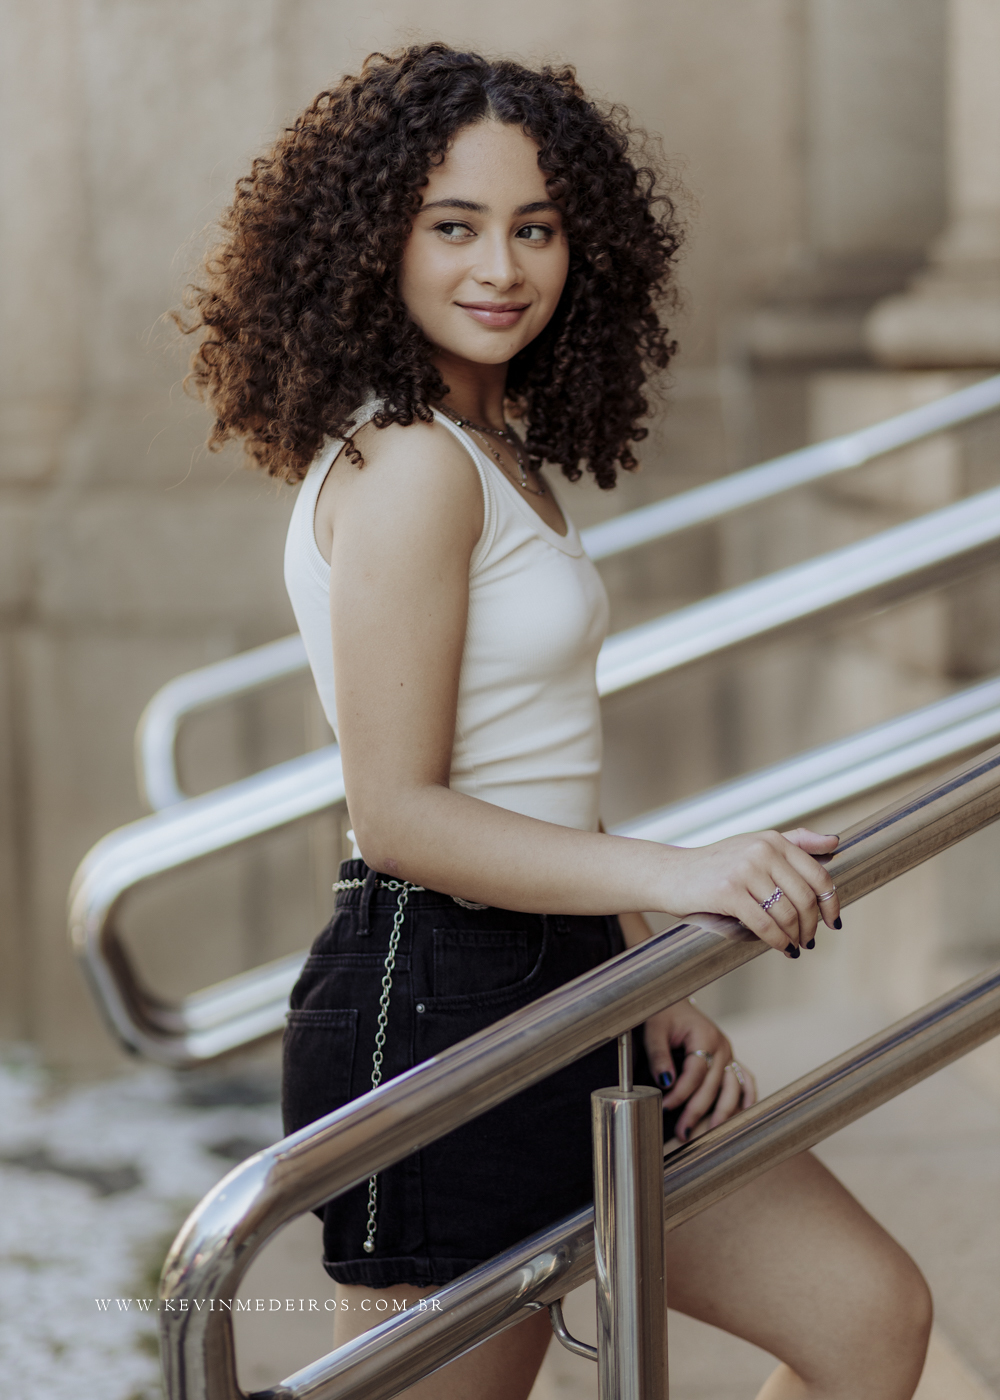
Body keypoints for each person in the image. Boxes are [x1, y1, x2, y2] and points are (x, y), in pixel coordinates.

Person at [178, 43, 932, 1400]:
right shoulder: (410, 464)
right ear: (374, 244)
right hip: (441, 997)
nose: (502, 267)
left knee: (868, 1317)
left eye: (535, 227)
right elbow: (403, 817)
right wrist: (682, 875)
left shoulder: (489, 447)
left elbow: (528, 773)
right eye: (454, 226)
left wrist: (645, 969)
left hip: (561, 967)